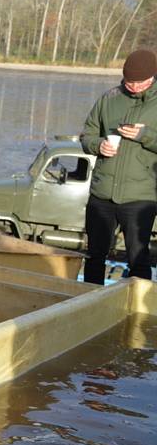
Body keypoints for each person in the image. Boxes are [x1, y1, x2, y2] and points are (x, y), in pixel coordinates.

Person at [79, 49, 157, 284]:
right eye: (129, 81)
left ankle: (136, 309)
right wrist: (98, 145)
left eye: (140, 82)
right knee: (94, 256)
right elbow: (87, 135)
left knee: (138, 259)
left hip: (140, 196)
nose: (133, 86)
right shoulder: (109, 98)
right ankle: (88, 303)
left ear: (153, 76)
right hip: (102, 194)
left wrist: (145, 135)